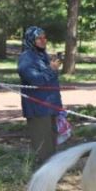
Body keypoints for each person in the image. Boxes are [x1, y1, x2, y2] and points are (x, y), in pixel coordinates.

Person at [17, 26, 64, 163]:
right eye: (39, 38)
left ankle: (52, 177)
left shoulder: (42, 55)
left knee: (52, 147)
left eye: (44, 38)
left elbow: (49, 80)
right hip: (38, 109)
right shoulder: (26, 58)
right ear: (31, 40)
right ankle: (42, 179)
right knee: (43, 151)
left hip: (51, 107)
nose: (43, 41)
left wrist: (58, 107)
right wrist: (51, 69)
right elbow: (35, 80)